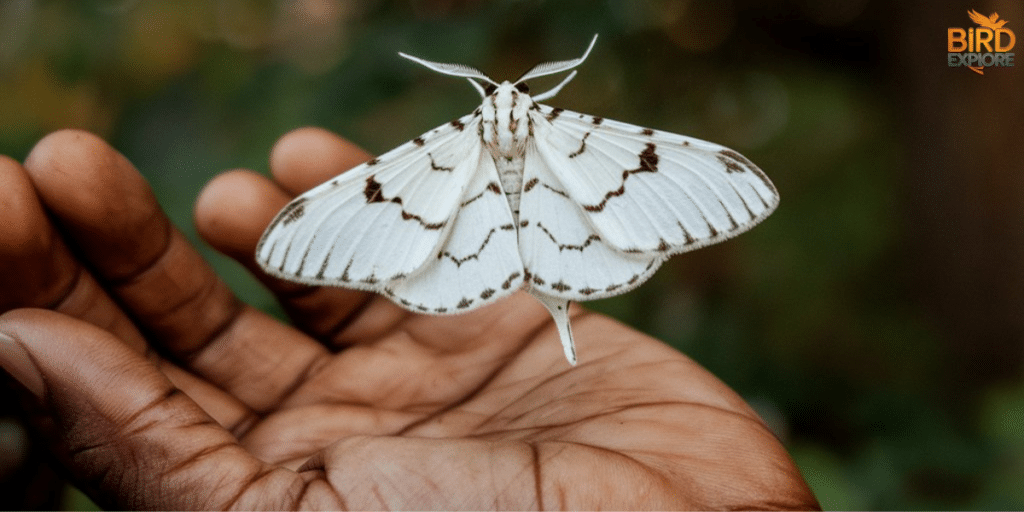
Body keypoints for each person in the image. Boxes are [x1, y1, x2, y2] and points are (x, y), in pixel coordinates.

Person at [0, 128, 819, 510]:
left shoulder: (467, 142)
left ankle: (560, 316)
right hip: (483, 247)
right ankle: (560, 314)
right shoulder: (577, 137)